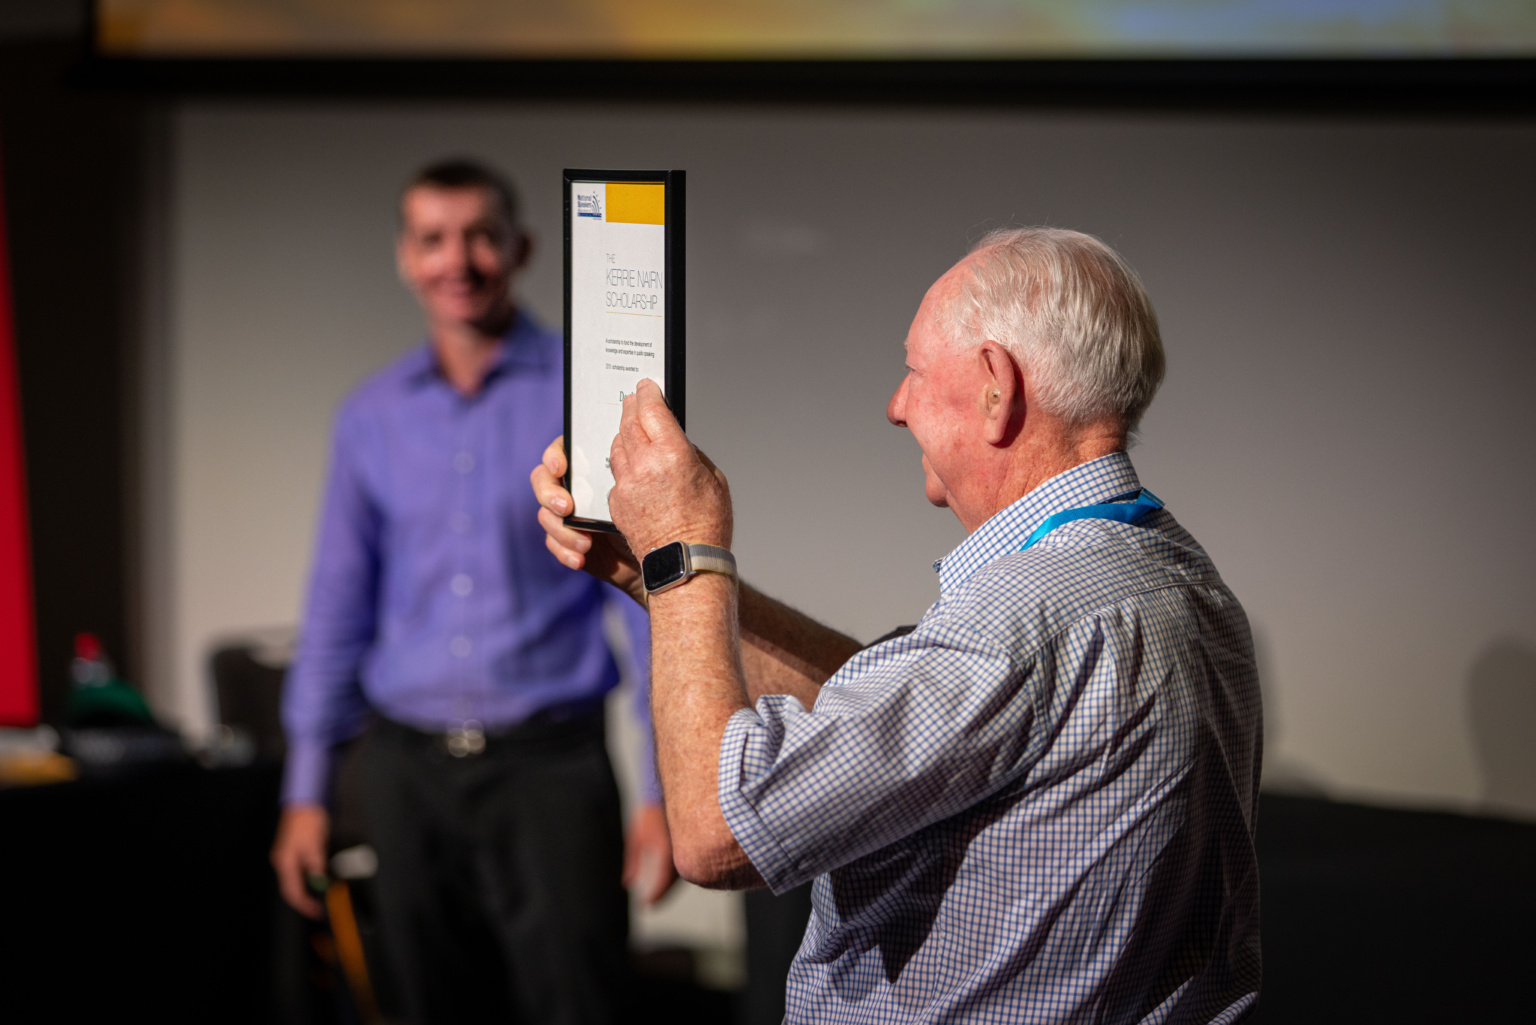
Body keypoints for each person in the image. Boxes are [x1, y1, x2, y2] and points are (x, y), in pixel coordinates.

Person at [532, 227, 1263, 1023]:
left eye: (914, 371)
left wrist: (684, 552)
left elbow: (716, 832)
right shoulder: (1173, 570)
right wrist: (649, 574)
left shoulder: (1022, 612)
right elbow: (890, 716)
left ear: (996, 387)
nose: (896, 405)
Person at [271, 158, 676, 1024]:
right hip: (404, 773)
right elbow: (336, 610)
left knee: (580, 1003)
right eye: (433, 239)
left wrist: (664, 788)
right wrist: (306, 789)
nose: (458, 259)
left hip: (551, 773)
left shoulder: (591, 392)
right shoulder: (370, 416)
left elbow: (642, 602)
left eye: (481, 236)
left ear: (523, 248)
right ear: (406, 258)